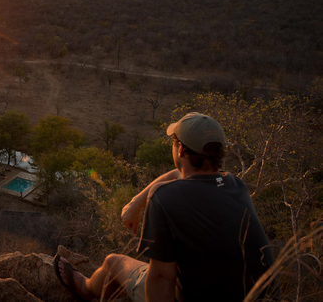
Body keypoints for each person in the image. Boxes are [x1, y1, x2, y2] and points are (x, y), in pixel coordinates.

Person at [54, 112, 274, 302]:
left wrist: (147, 199)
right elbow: (181, 175)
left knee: (113, 263)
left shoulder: (165, 198)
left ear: (180, 150)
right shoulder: (236, 185)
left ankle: (84, 289)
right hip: (254, 296)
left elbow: (162, 278)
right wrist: (136, 203)